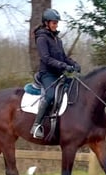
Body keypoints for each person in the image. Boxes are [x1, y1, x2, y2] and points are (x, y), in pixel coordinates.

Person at [30, 8, 81, 139]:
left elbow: (63, 57)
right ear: (46, 23)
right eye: (53, 23)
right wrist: (64, 66)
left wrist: (74, 64)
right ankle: (37, 125)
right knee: (50, 95)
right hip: (47, 74)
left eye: (57, 23)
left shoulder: (58, 40)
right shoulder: (41, 38)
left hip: (59, 74)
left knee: (75, 89)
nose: (56, 25)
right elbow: (46, 58)